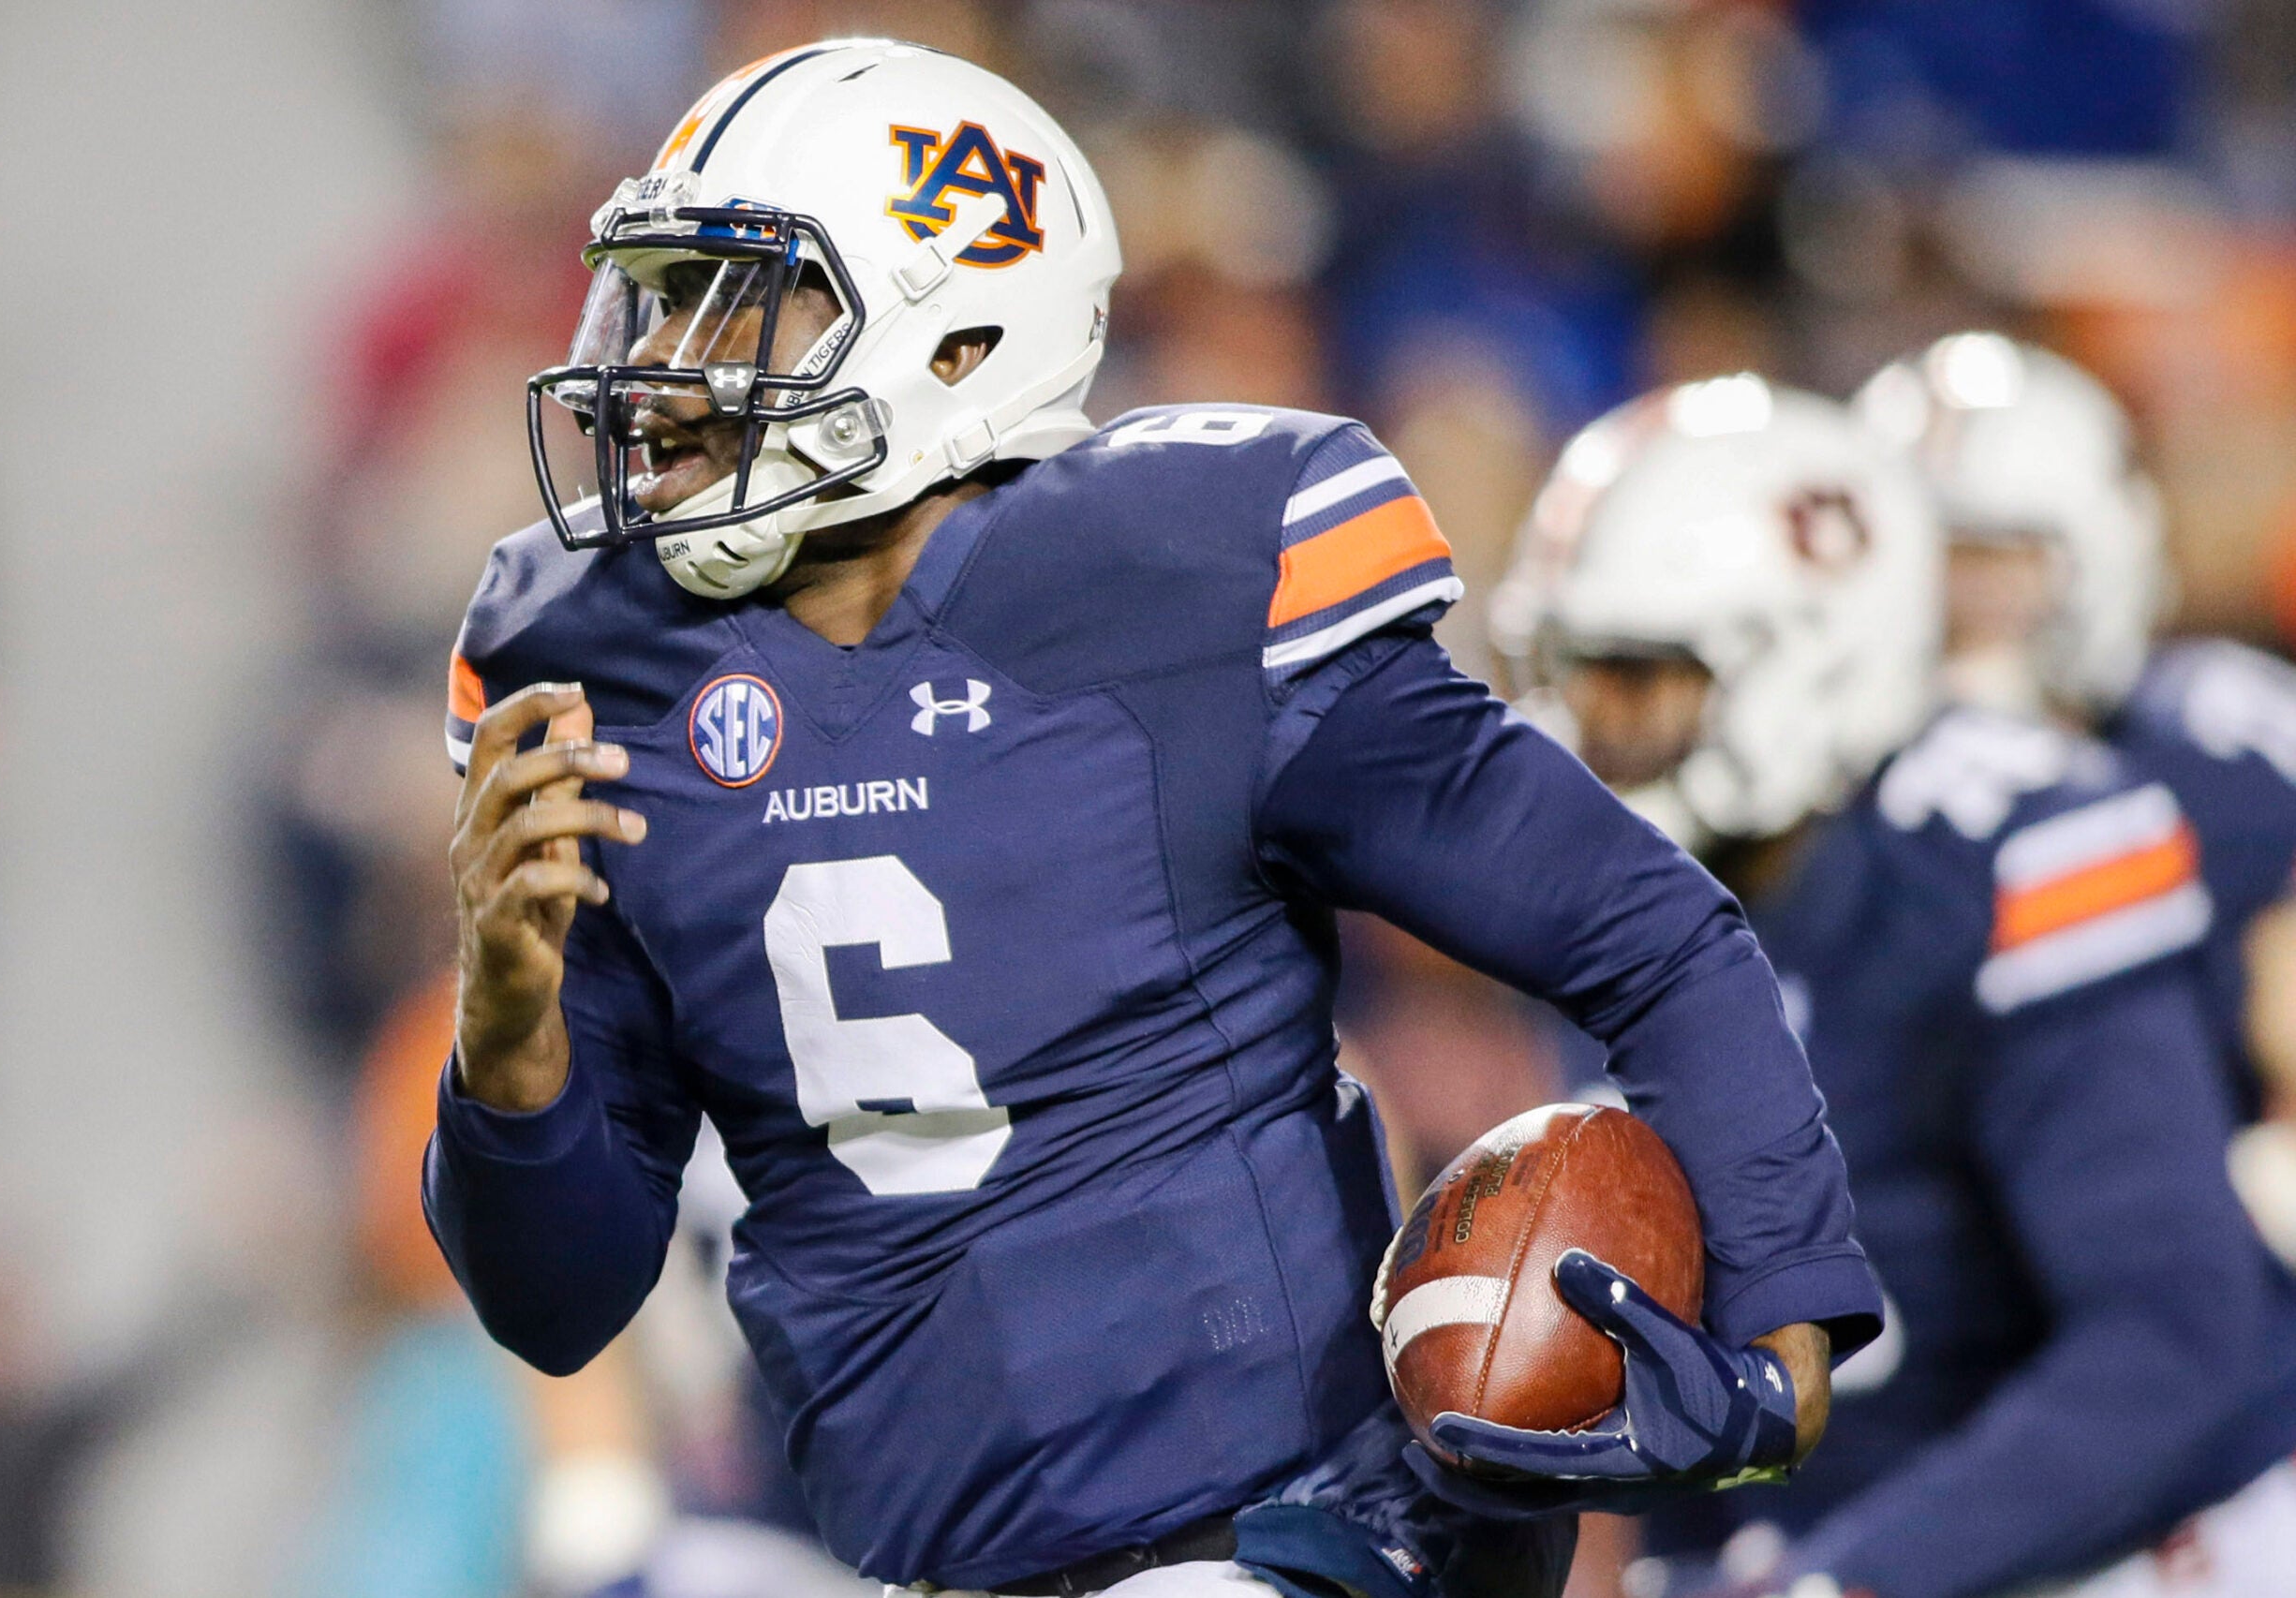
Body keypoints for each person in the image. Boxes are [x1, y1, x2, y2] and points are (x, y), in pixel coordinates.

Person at [425, 42, 1881, 1598]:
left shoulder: (1184, 583)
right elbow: (559, 1301)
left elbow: (1639, 928)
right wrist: (505, 1041)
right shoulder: (600, 664)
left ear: (958, 332)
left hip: (1286, 1526)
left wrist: (1785, 1330)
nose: (669, 363)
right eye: (660, 300)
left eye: (737, 302)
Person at [1491, 375, 2296, 1598]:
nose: (1583, 729)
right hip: (1833, 1527)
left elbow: (2172, 1341)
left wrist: (1850, 1577)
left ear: (1808, 662)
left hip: (2145, 1533)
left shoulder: (2008, 852)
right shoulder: (1610, 907)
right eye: (1565, 675)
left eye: (1634, 680)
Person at [1855, 332, 2296, 1132]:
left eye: (1988, 559)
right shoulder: (1820, 822)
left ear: (2100, 554)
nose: (1946, 605)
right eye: (1915, 562)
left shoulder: (2223, 752)